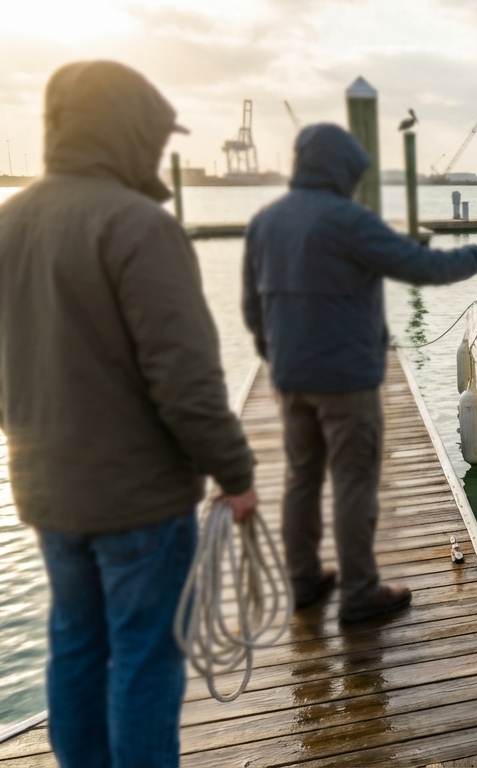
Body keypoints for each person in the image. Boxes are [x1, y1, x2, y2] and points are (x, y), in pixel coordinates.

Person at [0, 61, 258, 767]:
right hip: (139, 500)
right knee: (146, 658)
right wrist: (235, 474)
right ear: (129, 131)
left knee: (75, 644)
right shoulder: (140, 226)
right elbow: (187, 381)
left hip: (48, 494)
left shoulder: (9, 222)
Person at [243, 124, 477, 623]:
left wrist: (275, 360)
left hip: (291, 376)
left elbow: (251, 305)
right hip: (346, 379)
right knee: (353, 480)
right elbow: (420, 266)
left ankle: (302, 580)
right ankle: (359, 593)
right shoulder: (350, 221)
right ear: (342, 169)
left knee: (301, 478)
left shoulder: (265, 222)